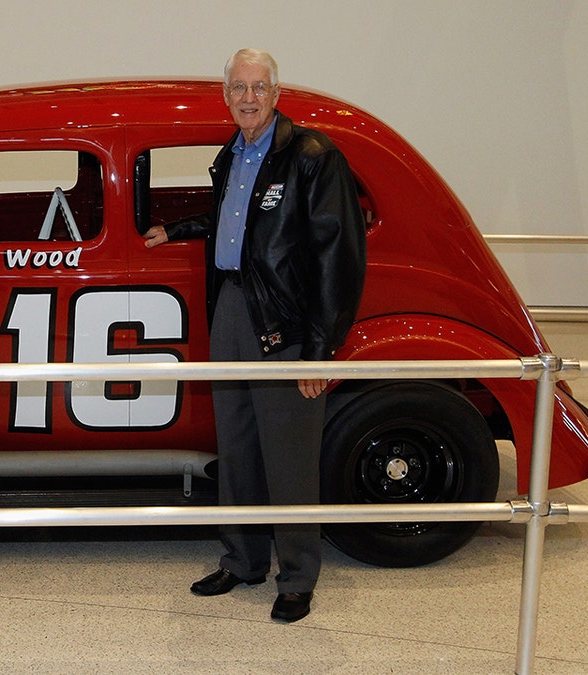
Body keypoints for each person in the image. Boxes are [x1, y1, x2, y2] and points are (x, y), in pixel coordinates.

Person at [143, 48, 366, 623]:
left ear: (276, 92)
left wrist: (319, 352)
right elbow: (237, 224)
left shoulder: (313, 156)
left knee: (289, 455)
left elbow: (337, 257)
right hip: (234, 310)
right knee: (237, 446)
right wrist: (179, 228)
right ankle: (241, 560)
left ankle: (296, 576)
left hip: (285, 322)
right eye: (238, 87)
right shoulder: (232, 154)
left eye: (258, 87)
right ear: (227, 95)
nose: (247, 97)